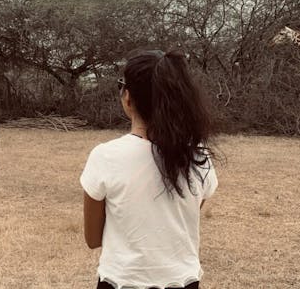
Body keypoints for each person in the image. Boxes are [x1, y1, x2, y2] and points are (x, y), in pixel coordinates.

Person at [80, 49, 218, 289]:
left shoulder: (105, 156)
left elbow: (93, 239)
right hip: (185, 281)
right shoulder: (198, 155)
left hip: (121, 281)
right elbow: (191, 210)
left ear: (128, 98)